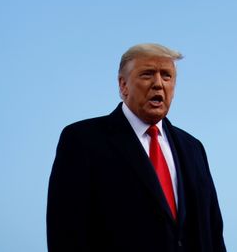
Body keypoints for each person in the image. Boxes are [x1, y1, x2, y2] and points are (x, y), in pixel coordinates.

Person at [46, 43, 227, 252]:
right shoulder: (83, 140)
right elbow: (66, 232)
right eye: (147, 75)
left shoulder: (193, 148)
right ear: (123, 85)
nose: (158, 84)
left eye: (166, 76)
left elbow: (213, 231)